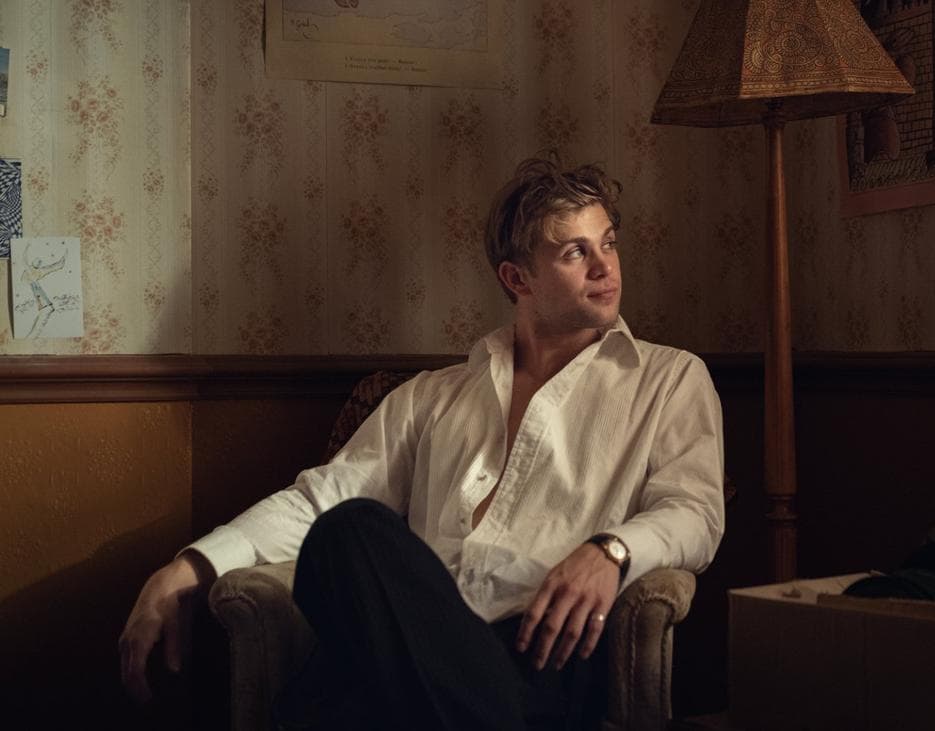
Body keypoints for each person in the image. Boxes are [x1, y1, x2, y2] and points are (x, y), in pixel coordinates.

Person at [118, 157, 726, 729]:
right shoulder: (431, 397)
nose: (605, 266)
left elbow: (695, 514)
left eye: (608, 242)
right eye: (575, 251)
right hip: (418, 644)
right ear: (517, 279)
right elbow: (318, 502)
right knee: (347, 530)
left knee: (338, 691)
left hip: (546, 656)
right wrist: (186, 568)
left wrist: (611, 551)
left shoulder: (671, 378)